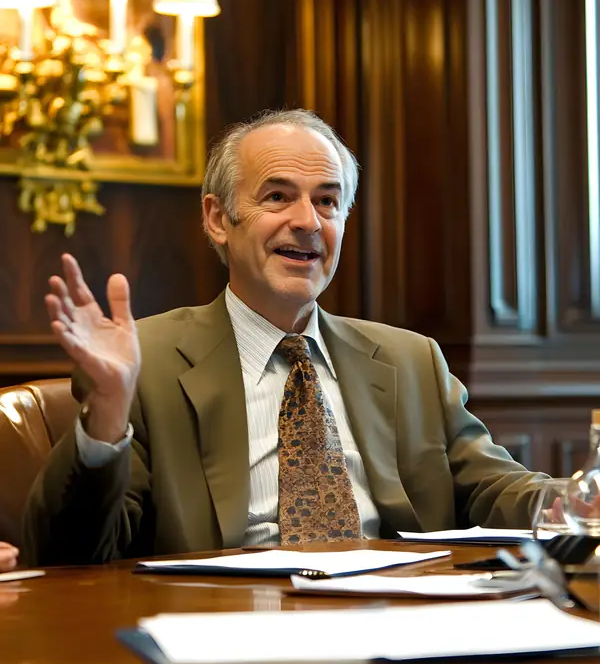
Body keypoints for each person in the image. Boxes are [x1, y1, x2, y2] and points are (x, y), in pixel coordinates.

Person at [23, 109, 548, 566]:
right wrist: (110, 411)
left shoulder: (411, 359)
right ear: (218, 218)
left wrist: (579, 501)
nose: (308, 223)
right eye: (278, 196)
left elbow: (496, 487)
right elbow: (75, 552)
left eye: (327, 201)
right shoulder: (147, 363)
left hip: (399, 621)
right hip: (225, 637)